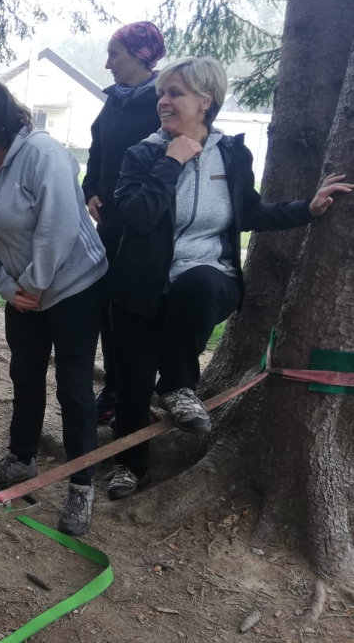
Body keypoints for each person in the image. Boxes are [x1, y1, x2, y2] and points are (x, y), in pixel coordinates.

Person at [107, 56, 353, 500]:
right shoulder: (143, 153)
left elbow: (250, 211)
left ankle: (179, 385)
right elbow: (136, 216)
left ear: (206, 101)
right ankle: (128, 464)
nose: (163, 100)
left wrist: (306, 209)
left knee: (197, 285)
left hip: (208, 278)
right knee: (133, 382)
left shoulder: (233, 154)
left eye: (175, 93)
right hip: (140, 286)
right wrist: (172, 160)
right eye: (162, 92)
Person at [0, 77, 108, 537]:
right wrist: (8, 289)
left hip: (75, 285)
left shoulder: (43, 154)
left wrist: (36, 285)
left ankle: (81, 483)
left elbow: (57, 225)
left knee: (74, 385)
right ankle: (21, 458)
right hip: (24, 293)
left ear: (0, 112)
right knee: (24, 374)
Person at [82, 22, 166, 427]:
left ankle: (140, 393)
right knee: (106, 308)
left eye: (115, 54)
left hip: (147, 226)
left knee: (134, 310)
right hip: (110, 222)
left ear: (141, 55)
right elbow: (99, 148)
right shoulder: (114, 100)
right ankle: (113, 389)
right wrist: (91, 189)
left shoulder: (161, 100)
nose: (108, 63)